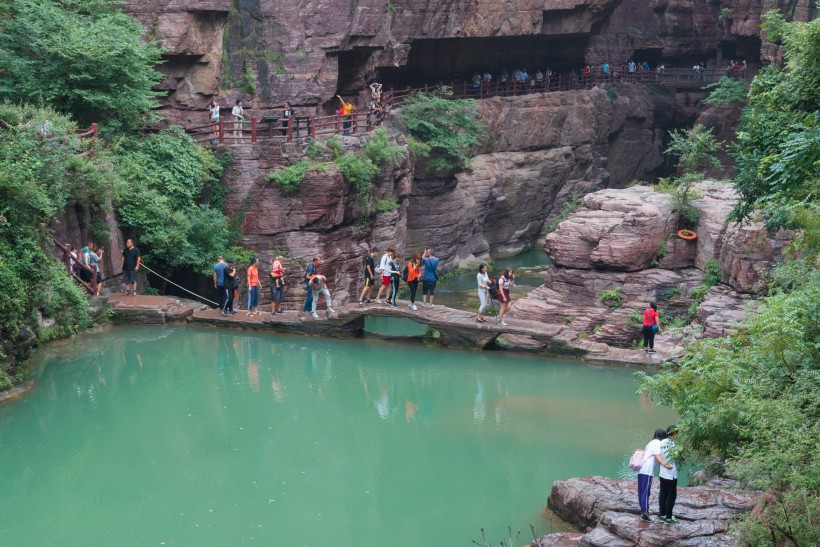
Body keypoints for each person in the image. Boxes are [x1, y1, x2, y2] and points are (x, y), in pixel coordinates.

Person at [637, 428, 672, 522]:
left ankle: (644, 510)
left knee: (642, 491)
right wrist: (665, 465)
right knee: (645, 492)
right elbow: (657, 455)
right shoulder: (657, 443)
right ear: (661, 436)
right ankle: (645, 514)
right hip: (647, 471)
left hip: (642, 470)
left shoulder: (651, 442)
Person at [658, 425, 680, 524]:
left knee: (663, 493)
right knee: (671, 496)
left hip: (662, 474)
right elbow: (678, 458)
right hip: (671, 474)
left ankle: (662, 514)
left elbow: (657, 455)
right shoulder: (675, 445)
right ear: (674, 433)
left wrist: (664, 464)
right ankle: (668, 517)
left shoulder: (661, 443)